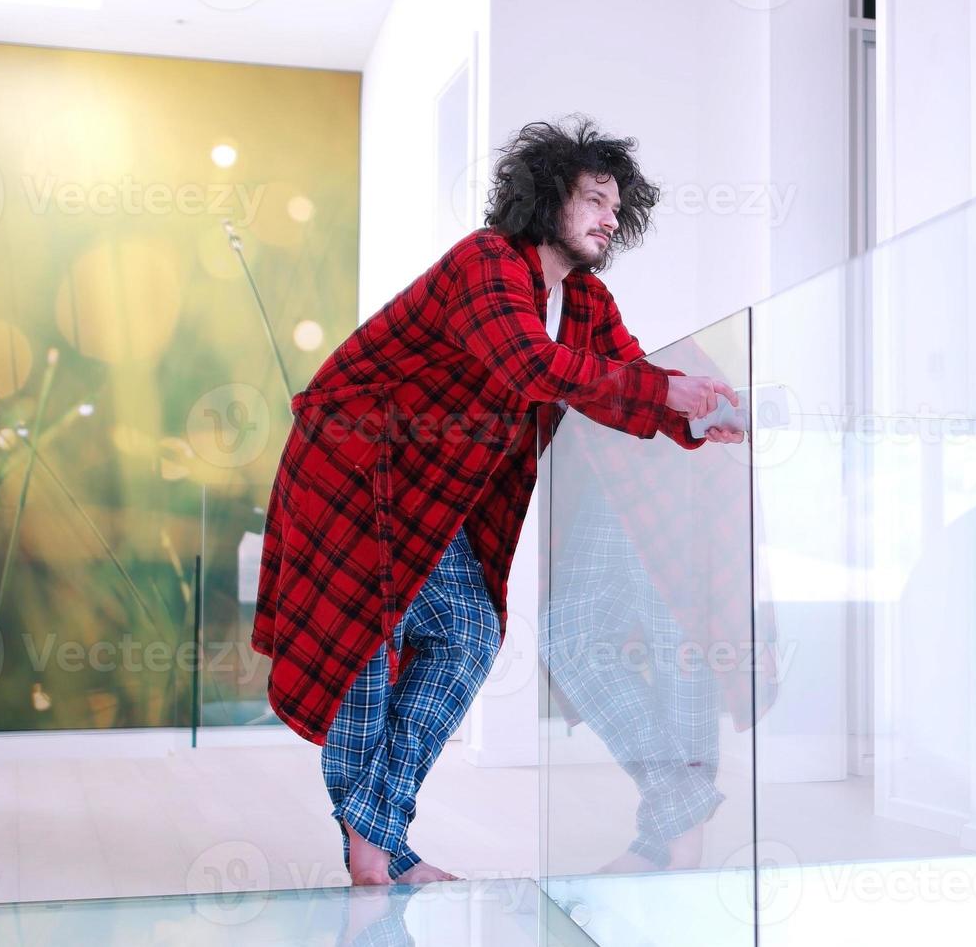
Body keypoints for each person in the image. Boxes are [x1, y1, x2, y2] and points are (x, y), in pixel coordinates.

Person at [249, 116, 744, 886]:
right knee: (362, 658)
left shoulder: (583, 301)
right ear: (546, 199)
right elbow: (527, 365)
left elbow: (617, 386)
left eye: (618, 207)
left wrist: (695, 420)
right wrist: (669, 392)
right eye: (594, 199)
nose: (611, 218)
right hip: (356, 466)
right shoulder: (486, 262)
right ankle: (378, 853)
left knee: (468, 633)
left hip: (428, 496)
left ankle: (374, 836)